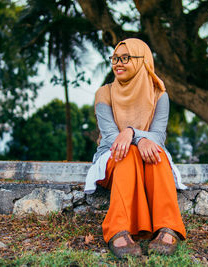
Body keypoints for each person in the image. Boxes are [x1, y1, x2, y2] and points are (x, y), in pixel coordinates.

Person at [85, 38, 186, 258]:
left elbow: (158, 136)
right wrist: (139, 138)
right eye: (115, 58)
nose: (117, 64)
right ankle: (117, 229)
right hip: (113, 157)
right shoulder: (104, 93)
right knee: (128, 153)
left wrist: (132, 132)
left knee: (157, 154)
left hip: (148, 156)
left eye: (125, 58)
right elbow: (112, 137)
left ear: (143, 61)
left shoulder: (160, 95)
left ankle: (167, 227)